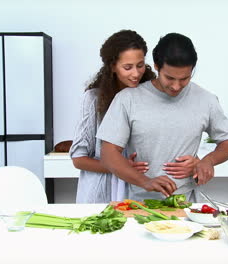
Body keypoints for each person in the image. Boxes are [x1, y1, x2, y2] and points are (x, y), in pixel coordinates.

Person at [97, 32, 228, 201]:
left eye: (185, 78)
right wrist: (145, 182)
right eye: (169, 78)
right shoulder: (128, 99)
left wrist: (208, 161)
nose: (176, 86)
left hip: (186, 203)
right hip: (139, 203)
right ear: (156, 66)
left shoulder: (206, 99)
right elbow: (108, 154)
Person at [70, 30, 197, 203]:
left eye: (140, 65)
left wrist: (195, 161)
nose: (136, 73)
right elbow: (78, 159)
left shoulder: (152, 94)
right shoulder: (93, 99)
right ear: (113, 66)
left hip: (139, 191)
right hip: (103, 190)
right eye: (127, 67)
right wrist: (120, 167)